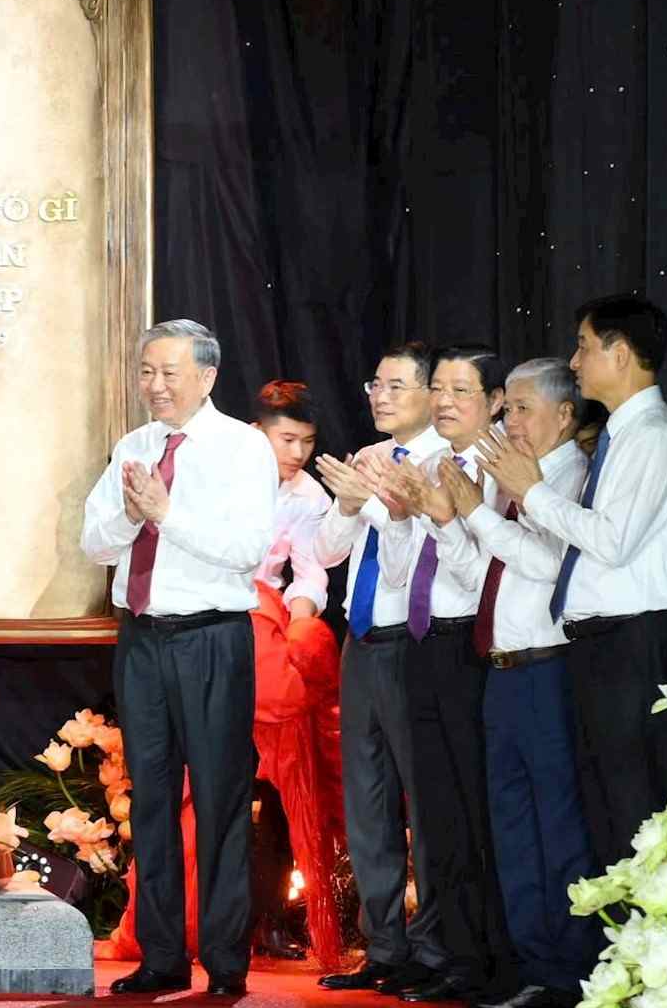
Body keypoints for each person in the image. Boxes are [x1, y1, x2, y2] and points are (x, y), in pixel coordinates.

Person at [81, 318, 275, 999]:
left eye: (169, 372)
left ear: (207, 376)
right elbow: (94, 540)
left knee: (221, 799)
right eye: (146, 371)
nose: (155, 385)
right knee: (151, 799)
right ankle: (161, 956)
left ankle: (225, 962)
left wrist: (166, 513)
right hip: (141, 638)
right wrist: (133, 517)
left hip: (212, 637)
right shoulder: (133, 444)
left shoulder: (243, 449)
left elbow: (248, 548)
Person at [478, 294, 667, 870]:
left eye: (583, 347)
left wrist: (533, 491)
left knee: (638, 812)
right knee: (611, 815)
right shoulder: (623, 435)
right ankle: (624, 955)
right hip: (606, 646)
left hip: (637, 643)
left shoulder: (652, 434)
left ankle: (649, 954)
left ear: (620, 353)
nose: (574, 364)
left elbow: (610, 541)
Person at [402, 358, 597, 1008]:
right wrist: (447, 515)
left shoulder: (567, 475)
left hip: (546, 668)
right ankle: (531, 963)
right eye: (506, 408)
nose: (508, 420)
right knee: (511, 826)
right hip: (502, 669)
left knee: (557, 830)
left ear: (564, 415)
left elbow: (546, 561)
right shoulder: (512, 478)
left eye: (520, 407)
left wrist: (480, 515)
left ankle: (568, 970)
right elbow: (479, 566)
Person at [310, 342, 450, 995]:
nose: (380, 395)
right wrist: (344, 504)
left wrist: (396, 510)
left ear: (431, 393)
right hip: (359, 642)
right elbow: (325, 553)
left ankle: (433, 948)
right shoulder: (368, 460)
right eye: (375, 382)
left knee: (423, 802)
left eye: (397, 384)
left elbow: (406, 568)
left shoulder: (445, 463)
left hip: (415, 645)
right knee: (365, 802)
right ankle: (384, 946)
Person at [376, 345, 513, 1002]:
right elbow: (401, 574)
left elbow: (485, 577)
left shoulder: (497, 469)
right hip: (423, 642)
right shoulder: (429, 463)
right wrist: (404, 518)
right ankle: (455, 955)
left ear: (494, 402)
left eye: (462, 388)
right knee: (436, 811)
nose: (445, 400)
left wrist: (445, 516)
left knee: (476, 806)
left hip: (473, 647)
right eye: (439, 386)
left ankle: (494, 954)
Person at [248, 380, 346, 970]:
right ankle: (219, 914)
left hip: (271, 625)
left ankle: (277, 913)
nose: (297, 453)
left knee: (288, 778)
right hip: (220, 622)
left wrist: (291, 621)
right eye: (286, 439)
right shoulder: (220, 473)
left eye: (307, 442)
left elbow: (310, 575)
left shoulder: (308, 495)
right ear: (256, 431)